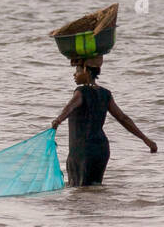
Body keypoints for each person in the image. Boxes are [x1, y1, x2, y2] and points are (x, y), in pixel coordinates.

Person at [51, 57, 155, 186]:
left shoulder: (81, 92)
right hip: (101, 150)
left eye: (77, 71)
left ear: (86, 72)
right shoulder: (105, 94)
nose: (74, 74)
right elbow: (123, 118)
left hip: (82, 150)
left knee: (79, 189)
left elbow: (70, 106)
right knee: (94, 187)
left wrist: (58, 119)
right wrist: (146, 140)